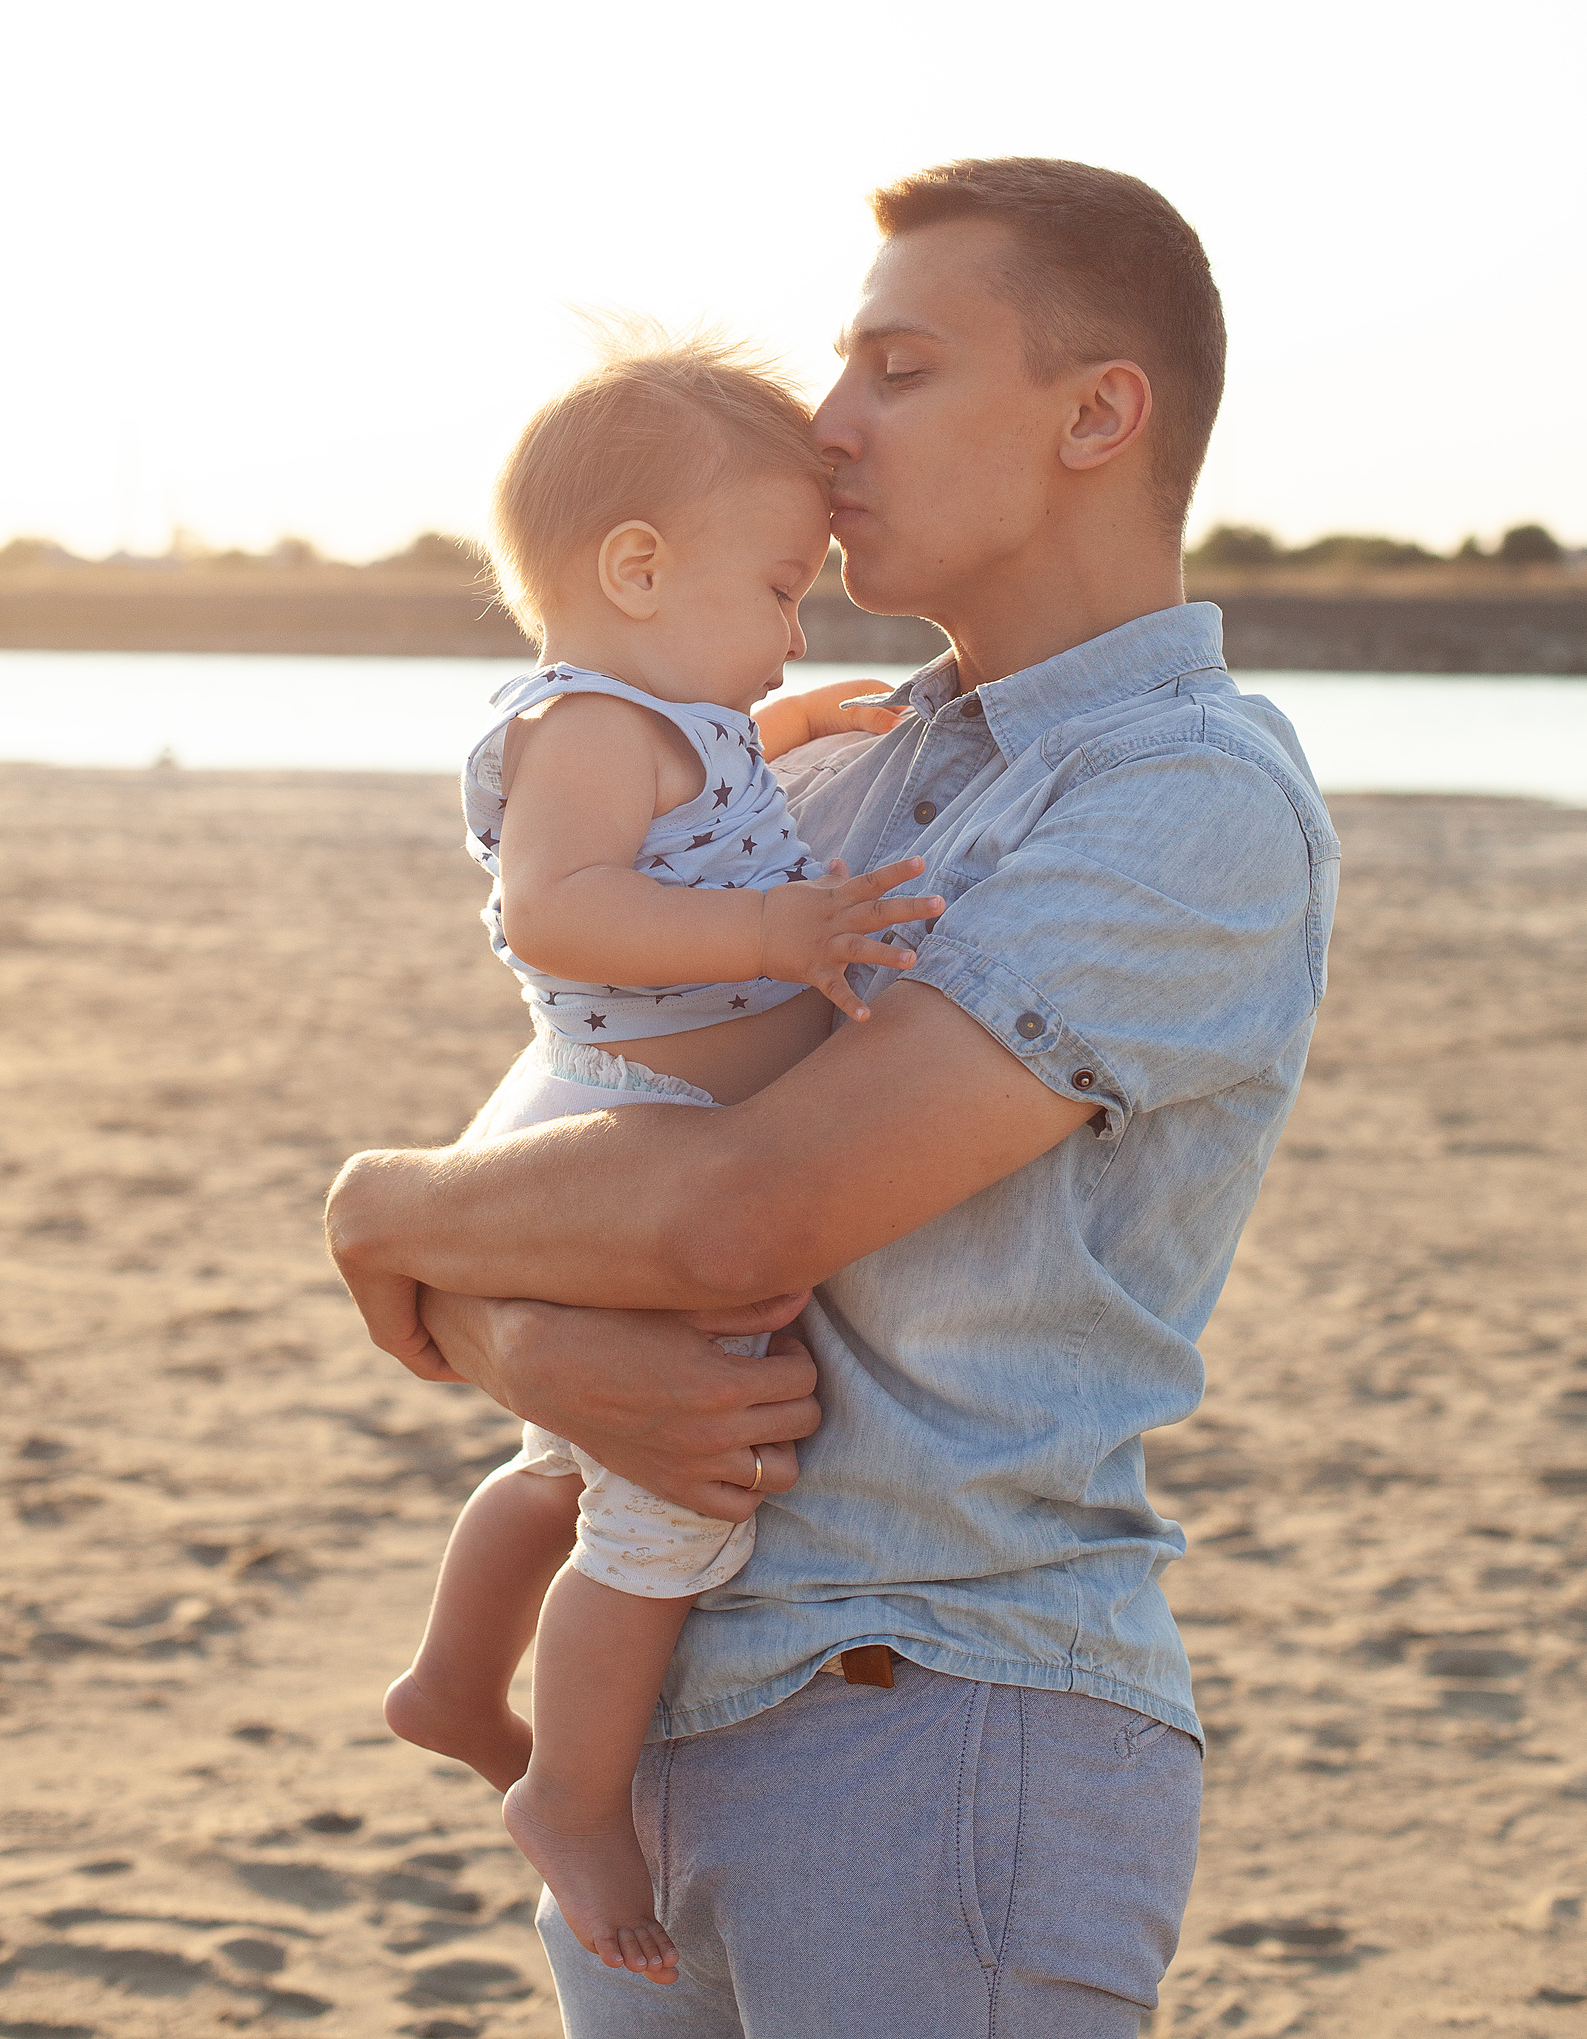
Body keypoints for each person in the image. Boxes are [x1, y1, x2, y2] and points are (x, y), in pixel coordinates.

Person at [328, 156, 1340, 2038]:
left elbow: (722, 1218)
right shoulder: (816, 778)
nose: (825, 421)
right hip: (666, 1723)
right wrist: (490, 1307)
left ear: (1094, 413)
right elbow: (543, 1154)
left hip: (932, 1719)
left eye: (897, 366)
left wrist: (379, 1227)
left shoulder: (1179, 798)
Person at [380, 337, 940, 1983]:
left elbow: (722, 771)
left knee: (566, 1457)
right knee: (670, 1505)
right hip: (627, 1111)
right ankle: (569, 1787)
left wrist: (804, 719)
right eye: (778, 592)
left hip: (627, 1107)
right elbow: (550, 908)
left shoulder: (667, 717)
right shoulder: (589, 730)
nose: (790, 634)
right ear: (636, 568)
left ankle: (451, 1679)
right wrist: (778, 922)